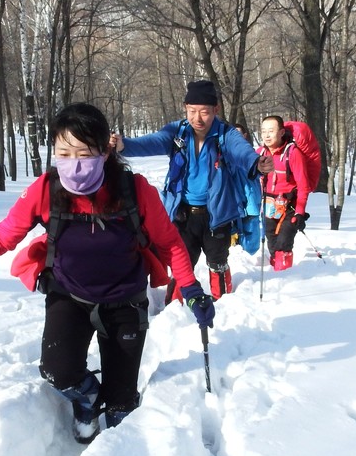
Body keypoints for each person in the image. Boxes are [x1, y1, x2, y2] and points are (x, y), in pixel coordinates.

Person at [0, 103, 215, 444]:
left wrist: (192, 291)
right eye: (64, 152)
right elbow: (4, 236)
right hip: (69, 296)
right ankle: (88, 398)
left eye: (84, 152)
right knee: (57, 372)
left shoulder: (135, 192)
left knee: (121, 405)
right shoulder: (46, 190)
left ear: (105, 151)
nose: (73, 163)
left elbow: (171, 244)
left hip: (126, 303)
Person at [112, 80, 273, 300]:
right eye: (192, 111)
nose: (198, 118)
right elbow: (151, 142)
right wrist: (123, 145)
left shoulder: (226, 135)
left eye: (204, 112)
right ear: (185, 108)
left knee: (217, 261)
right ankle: (176, 306)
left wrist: (257, 163)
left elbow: (242, 152)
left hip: (218, 215)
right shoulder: (177, 133)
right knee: (182, 262)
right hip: (183, 213)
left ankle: (223, 303)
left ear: (215, 110)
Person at [256, 114, 319, 271]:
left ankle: (284, 277)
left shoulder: (293, 153)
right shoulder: (260, 153)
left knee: (284, 243)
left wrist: (300, 212)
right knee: (272, 242)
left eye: (271, 131)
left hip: (290, 205)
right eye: (263, 131)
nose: (267, 135)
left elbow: (303, 185)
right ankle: (274, 272)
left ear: (282, 132)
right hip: (269, 205)